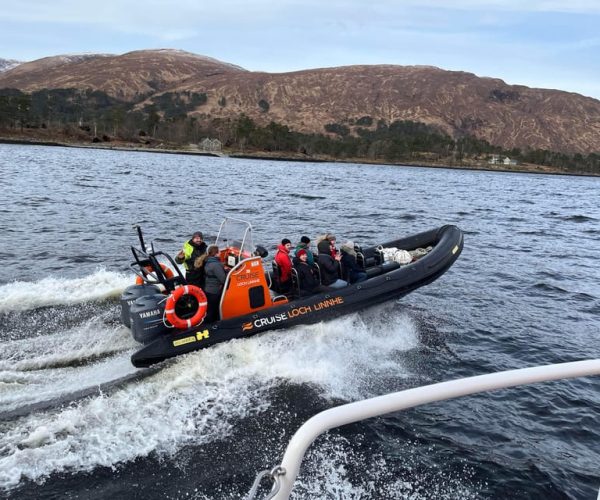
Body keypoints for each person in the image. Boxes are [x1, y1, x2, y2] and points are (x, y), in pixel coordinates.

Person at [203, 245, 227, 322]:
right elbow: (223, 279)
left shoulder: (208, 262)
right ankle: (212, 324)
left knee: (209, 308)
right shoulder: (216, 265)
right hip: (214, 290)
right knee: (212, 309)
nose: (220, 253)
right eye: (219, 252)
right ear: (216, 254)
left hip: (208, 289)